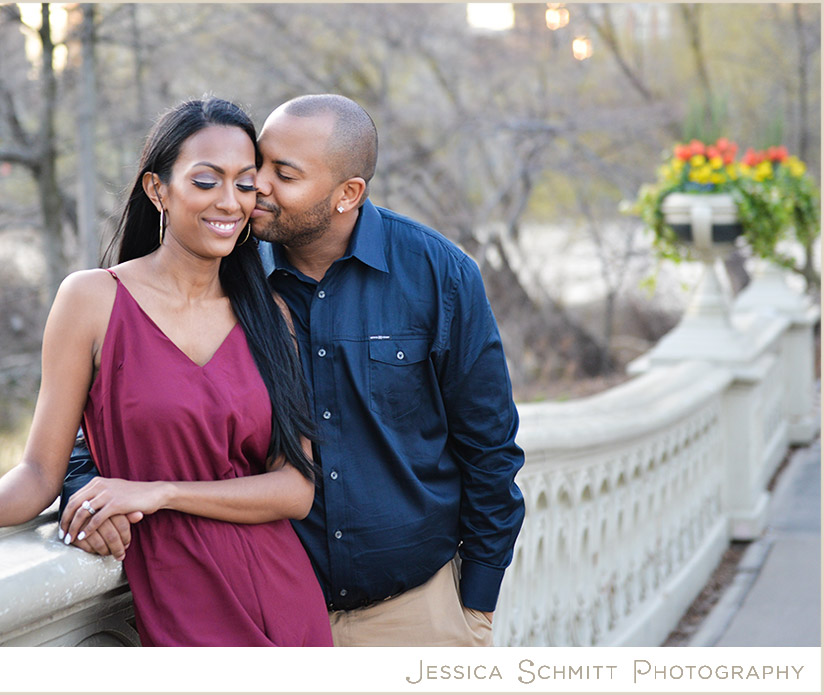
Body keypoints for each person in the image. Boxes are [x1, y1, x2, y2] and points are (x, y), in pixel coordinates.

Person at [0, 97, 333, 647]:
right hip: (183, 600)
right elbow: (39, 471)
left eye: (245, 184)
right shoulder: (91, 300)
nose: (229, 202)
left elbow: (294, 489)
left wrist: (159, 493)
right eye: (206, 181)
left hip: (284, 598)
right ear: (158, 190)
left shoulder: (270, 316)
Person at [62, 94, 525, 647]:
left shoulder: (438, 275)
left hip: (414, 613)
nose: (256, 188)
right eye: (260, 166)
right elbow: (118, 401)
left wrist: (475, 603)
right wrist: (84, 492)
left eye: (283, 174)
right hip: (261, 609)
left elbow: (490, 450)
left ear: (346, 194)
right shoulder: (226, 269)